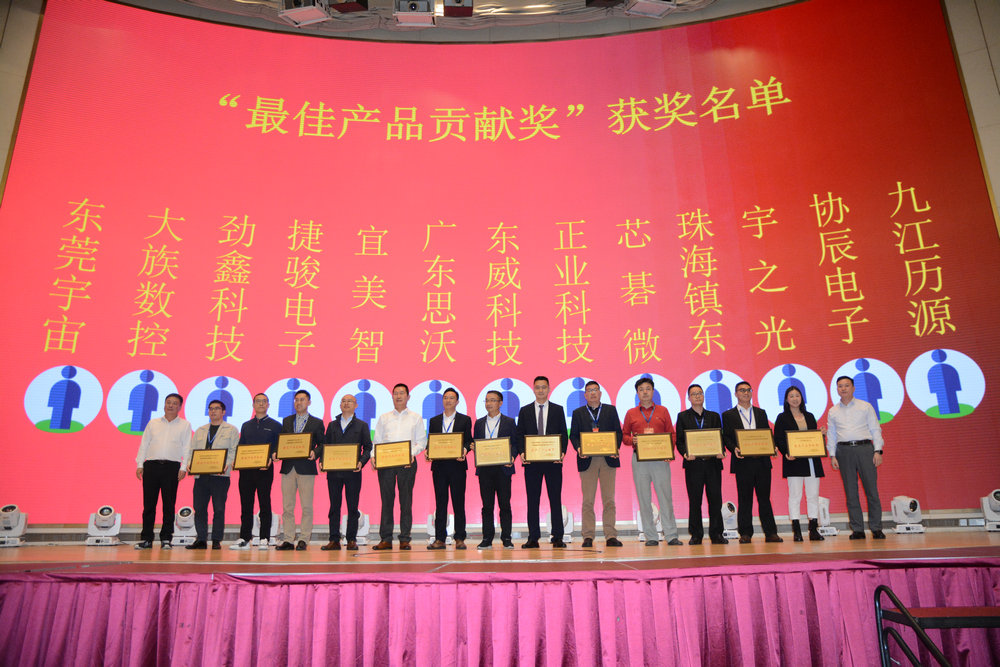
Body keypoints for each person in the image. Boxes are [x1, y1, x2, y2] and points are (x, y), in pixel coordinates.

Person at [621, 377, 682, 546]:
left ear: (653, 391)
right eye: (641, 389)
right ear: (637, 393)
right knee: (644, 498)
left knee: (665, 497)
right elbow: (624, 436)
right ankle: (651, 536)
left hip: (660, 459)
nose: (645, 392)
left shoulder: (663, 411)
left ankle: (671, 535)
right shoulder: (631, 413)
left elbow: (672, 434)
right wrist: (632, 440)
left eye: (648, 389)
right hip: (639, 459)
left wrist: (669, 451)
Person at [721, 381, 782, 544]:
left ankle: (771, 533)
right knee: (744, 498)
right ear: (736, 394)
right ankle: (745, 533)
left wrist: (773, 446)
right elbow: (726, 437)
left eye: (748, 390)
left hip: (762, 461)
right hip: (743, 462)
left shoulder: (761, 413)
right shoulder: (728, 415)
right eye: (742, 390)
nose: (745, 393)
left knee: (764, 498)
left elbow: (767, 434)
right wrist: (733, 448)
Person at [827, 375, 886, 540]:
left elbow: (875, 429)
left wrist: (878, 450)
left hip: (865, 449)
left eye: (846, 385)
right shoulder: (833, 411)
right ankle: (858, 529)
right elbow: (831, 434)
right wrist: (832, 455)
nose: (843, 388)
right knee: (851, 492)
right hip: (843, 451)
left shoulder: (865, 406)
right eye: (840, 386)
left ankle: (876, 528)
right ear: (837, 389)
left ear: (853, 388)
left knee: (871, 491)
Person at [372, 383, 427, 551]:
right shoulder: (384, 417)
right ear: (392, 396)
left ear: (408, 397)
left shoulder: (416, 417)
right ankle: (386, 539)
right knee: (386, 501)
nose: (398, 396)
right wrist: (374, 456)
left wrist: (410, 453)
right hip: (386, 463)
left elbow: (422, 442)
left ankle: (405, 538)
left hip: (407, 463)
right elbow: (377, 441)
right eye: (395, 393)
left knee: (406, 501)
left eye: (402, 393)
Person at [515, 375, 568, 549]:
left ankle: (558, 536)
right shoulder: (525, 411)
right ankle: (533, 537)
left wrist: (561, 452)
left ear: (549, 389)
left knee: (555, 499)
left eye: (544, 387)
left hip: (553, 462)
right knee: (533, 500)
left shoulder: (558, 410)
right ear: (533, 389)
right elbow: (520, 435)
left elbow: (563, 434)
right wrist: (522, 452)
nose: (541, 390)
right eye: (537, 387)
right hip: (532, 464)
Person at [134, 393, 192, 549]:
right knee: (149, 505)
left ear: (180, 407)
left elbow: (187, 447)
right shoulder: (153, 423)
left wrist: (183, 467)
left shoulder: (185, 425)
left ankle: (166, 538)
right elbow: (144, 444)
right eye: (168, 402)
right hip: (151, 466)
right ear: (164, 404)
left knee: (169, 505)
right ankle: (147, 538)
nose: (171, 405)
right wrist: (140, 464)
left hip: (171, 468)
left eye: (174, 403)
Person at [570, 380, 623, 548]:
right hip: (587, 460)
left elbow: (618, 432)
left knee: (609, 500)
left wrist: (615, 447)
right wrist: (579, 448)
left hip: (608, 459)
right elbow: (573, 435)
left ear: (600, 393)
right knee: (588, 500)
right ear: (585, 395)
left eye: (595, 390)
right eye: (589, 390)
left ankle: (611, 535)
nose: (592, 393)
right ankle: (588, 536)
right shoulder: (578, 413)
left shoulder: (610, 410)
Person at [675, 383, 727, 545]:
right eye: (694, 394)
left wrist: (722, 451)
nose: (697, 396)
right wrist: (685, 454)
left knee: (715, 500)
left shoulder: (714, 416)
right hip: (693, 465)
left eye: (700, 393)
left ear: (704, 396)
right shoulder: (683, 416)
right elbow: (679, 440)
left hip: (713, 464)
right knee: (695, 500)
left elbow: (720, 437)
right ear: (689, 398)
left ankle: (716, 534)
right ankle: (696, 534)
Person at [773, 386, 826, 542]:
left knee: (813, 495)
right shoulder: (782, 417)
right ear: (786, 399)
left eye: (797, 395)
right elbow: (779, 439)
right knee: (795, 496)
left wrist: (821, 435)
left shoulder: (809, 416)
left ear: (801, 398)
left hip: (812, 461)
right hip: (794, 461)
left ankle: (813, 529)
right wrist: (786, 453)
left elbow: (813, 438)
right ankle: (796, 530)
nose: (795, 398)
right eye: (791, 396)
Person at [185, 399, 239, 550]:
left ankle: (216, 539)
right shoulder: (200, 430)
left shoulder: (231, 430)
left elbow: (234, 451)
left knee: (219, 509)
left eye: (216, 408)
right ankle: (201, 539)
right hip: (201, 475)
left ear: (223, 412)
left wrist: (227, 464)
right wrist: (189, 464)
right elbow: (191, 451)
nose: (213, 411)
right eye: (210, 409)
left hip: (220, 476)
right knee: (199, 508)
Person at [321, 394, 372, 551]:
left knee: (352, 507)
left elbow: (368, 447)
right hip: (334, 473)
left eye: (350, 401)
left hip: (353, 472)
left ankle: (351, 539)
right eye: (343, 401)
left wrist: (361, 462)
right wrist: (322, 460)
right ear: (340, 405)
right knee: (334, 507)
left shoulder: (362, 425)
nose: (346, 403)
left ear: (356, 405)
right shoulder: (332, 425)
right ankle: (334, 539)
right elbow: (325, 446)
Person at [275, 389, 324, 551]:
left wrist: (315, 452)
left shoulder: (316, 422)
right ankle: (288, 539)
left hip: (306, 468)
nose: (298, 402)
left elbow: (322, 444)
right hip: (288, 467)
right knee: (287, 507)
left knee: (306, 506)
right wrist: (276, 452)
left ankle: (304, 538)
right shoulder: (287, 420)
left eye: (302, 399)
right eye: (296, 399)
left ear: (309, 402)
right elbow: (282, 442)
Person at [426, 387, 473, 550]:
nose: (448, 400)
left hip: (457, 466)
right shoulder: (434, 421)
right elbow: (431, 441)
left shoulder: (465, 420)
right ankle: (440, 538)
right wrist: (428, 452)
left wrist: (464, 451)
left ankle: (459, 537)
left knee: (458, 502)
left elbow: (469, 441)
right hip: (439, 467)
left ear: (457, 401)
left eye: (452, 398)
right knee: (441, 503)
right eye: (445, 397)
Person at [232, 393, 281, 550]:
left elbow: (278, 446)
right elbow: (241, 445)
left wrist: (271, 456)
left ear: (268, 405)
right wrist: (237, 460)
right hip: (246, 470)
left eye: (264, 401)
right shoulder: (246, 425)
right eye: (258, 401)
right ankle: (244, 537)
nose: (261, 404)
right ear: (253, 405)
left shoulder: (275, 425)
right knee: (246, 504)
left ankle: (264, 538)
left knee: (264, 503)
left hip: (265, 469)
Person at [473, 390, 517, 549]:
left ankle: (506, 538)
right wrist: (474, 447)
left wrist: (512, 457)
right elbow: (476, 443)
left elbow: (515, 444)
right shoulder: (479, 423)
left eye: (493, 400)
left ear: (500, 403)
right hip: (485, 470)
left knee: (504, 505)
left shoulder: (509, 422)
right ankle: (487, 538)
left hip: (503, 469)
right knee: (487, 506)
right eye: (487, 400)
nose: (489, 403)